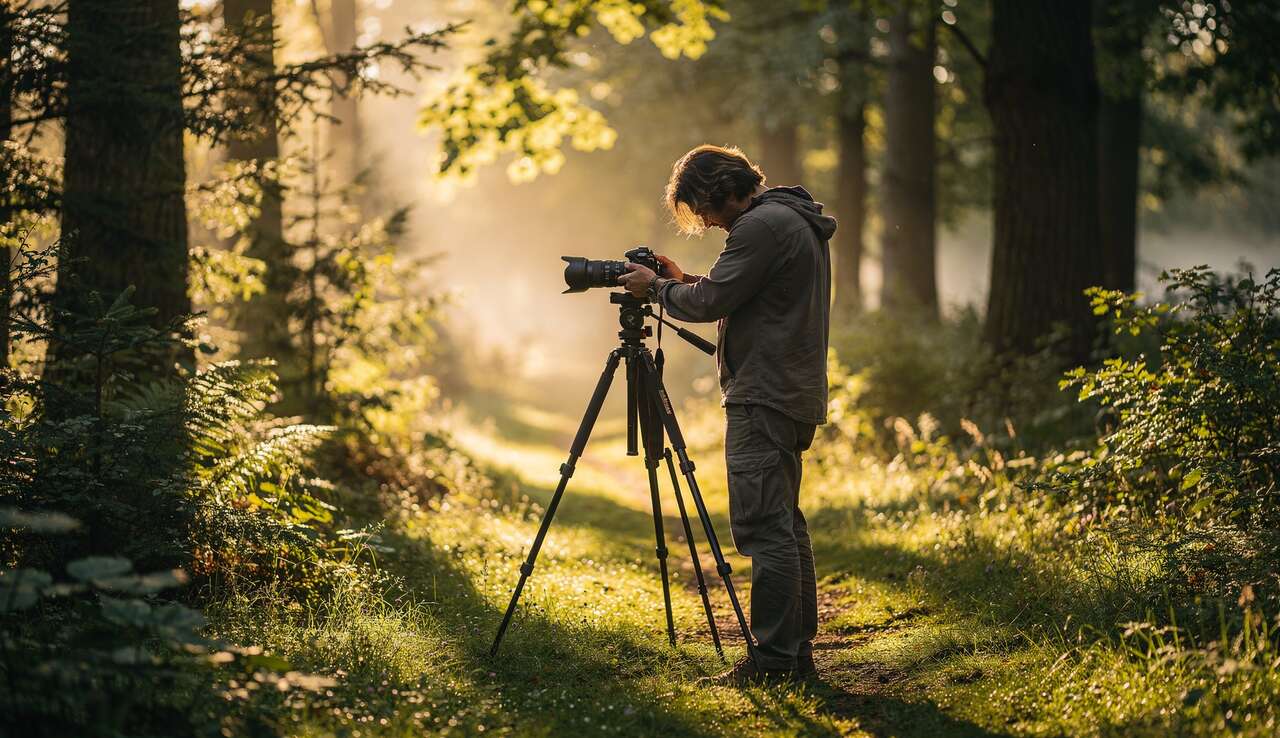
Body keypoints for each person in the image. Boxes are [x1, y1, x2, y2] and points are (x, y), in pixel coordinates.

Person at [616, 144, 836, 686]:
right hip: (789, 390)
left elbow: (711, 304)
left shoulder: (760, 227)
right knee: (783, 524)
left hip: (764, 393)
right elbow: (738, 292)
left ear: (720, 190)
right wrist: (682, 280)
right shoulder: (790, 219)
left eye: (703, 208)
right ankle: (794, 654)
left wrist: (657, 288)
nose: (707, 221)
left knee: (764, 528)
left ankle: (774, 662)